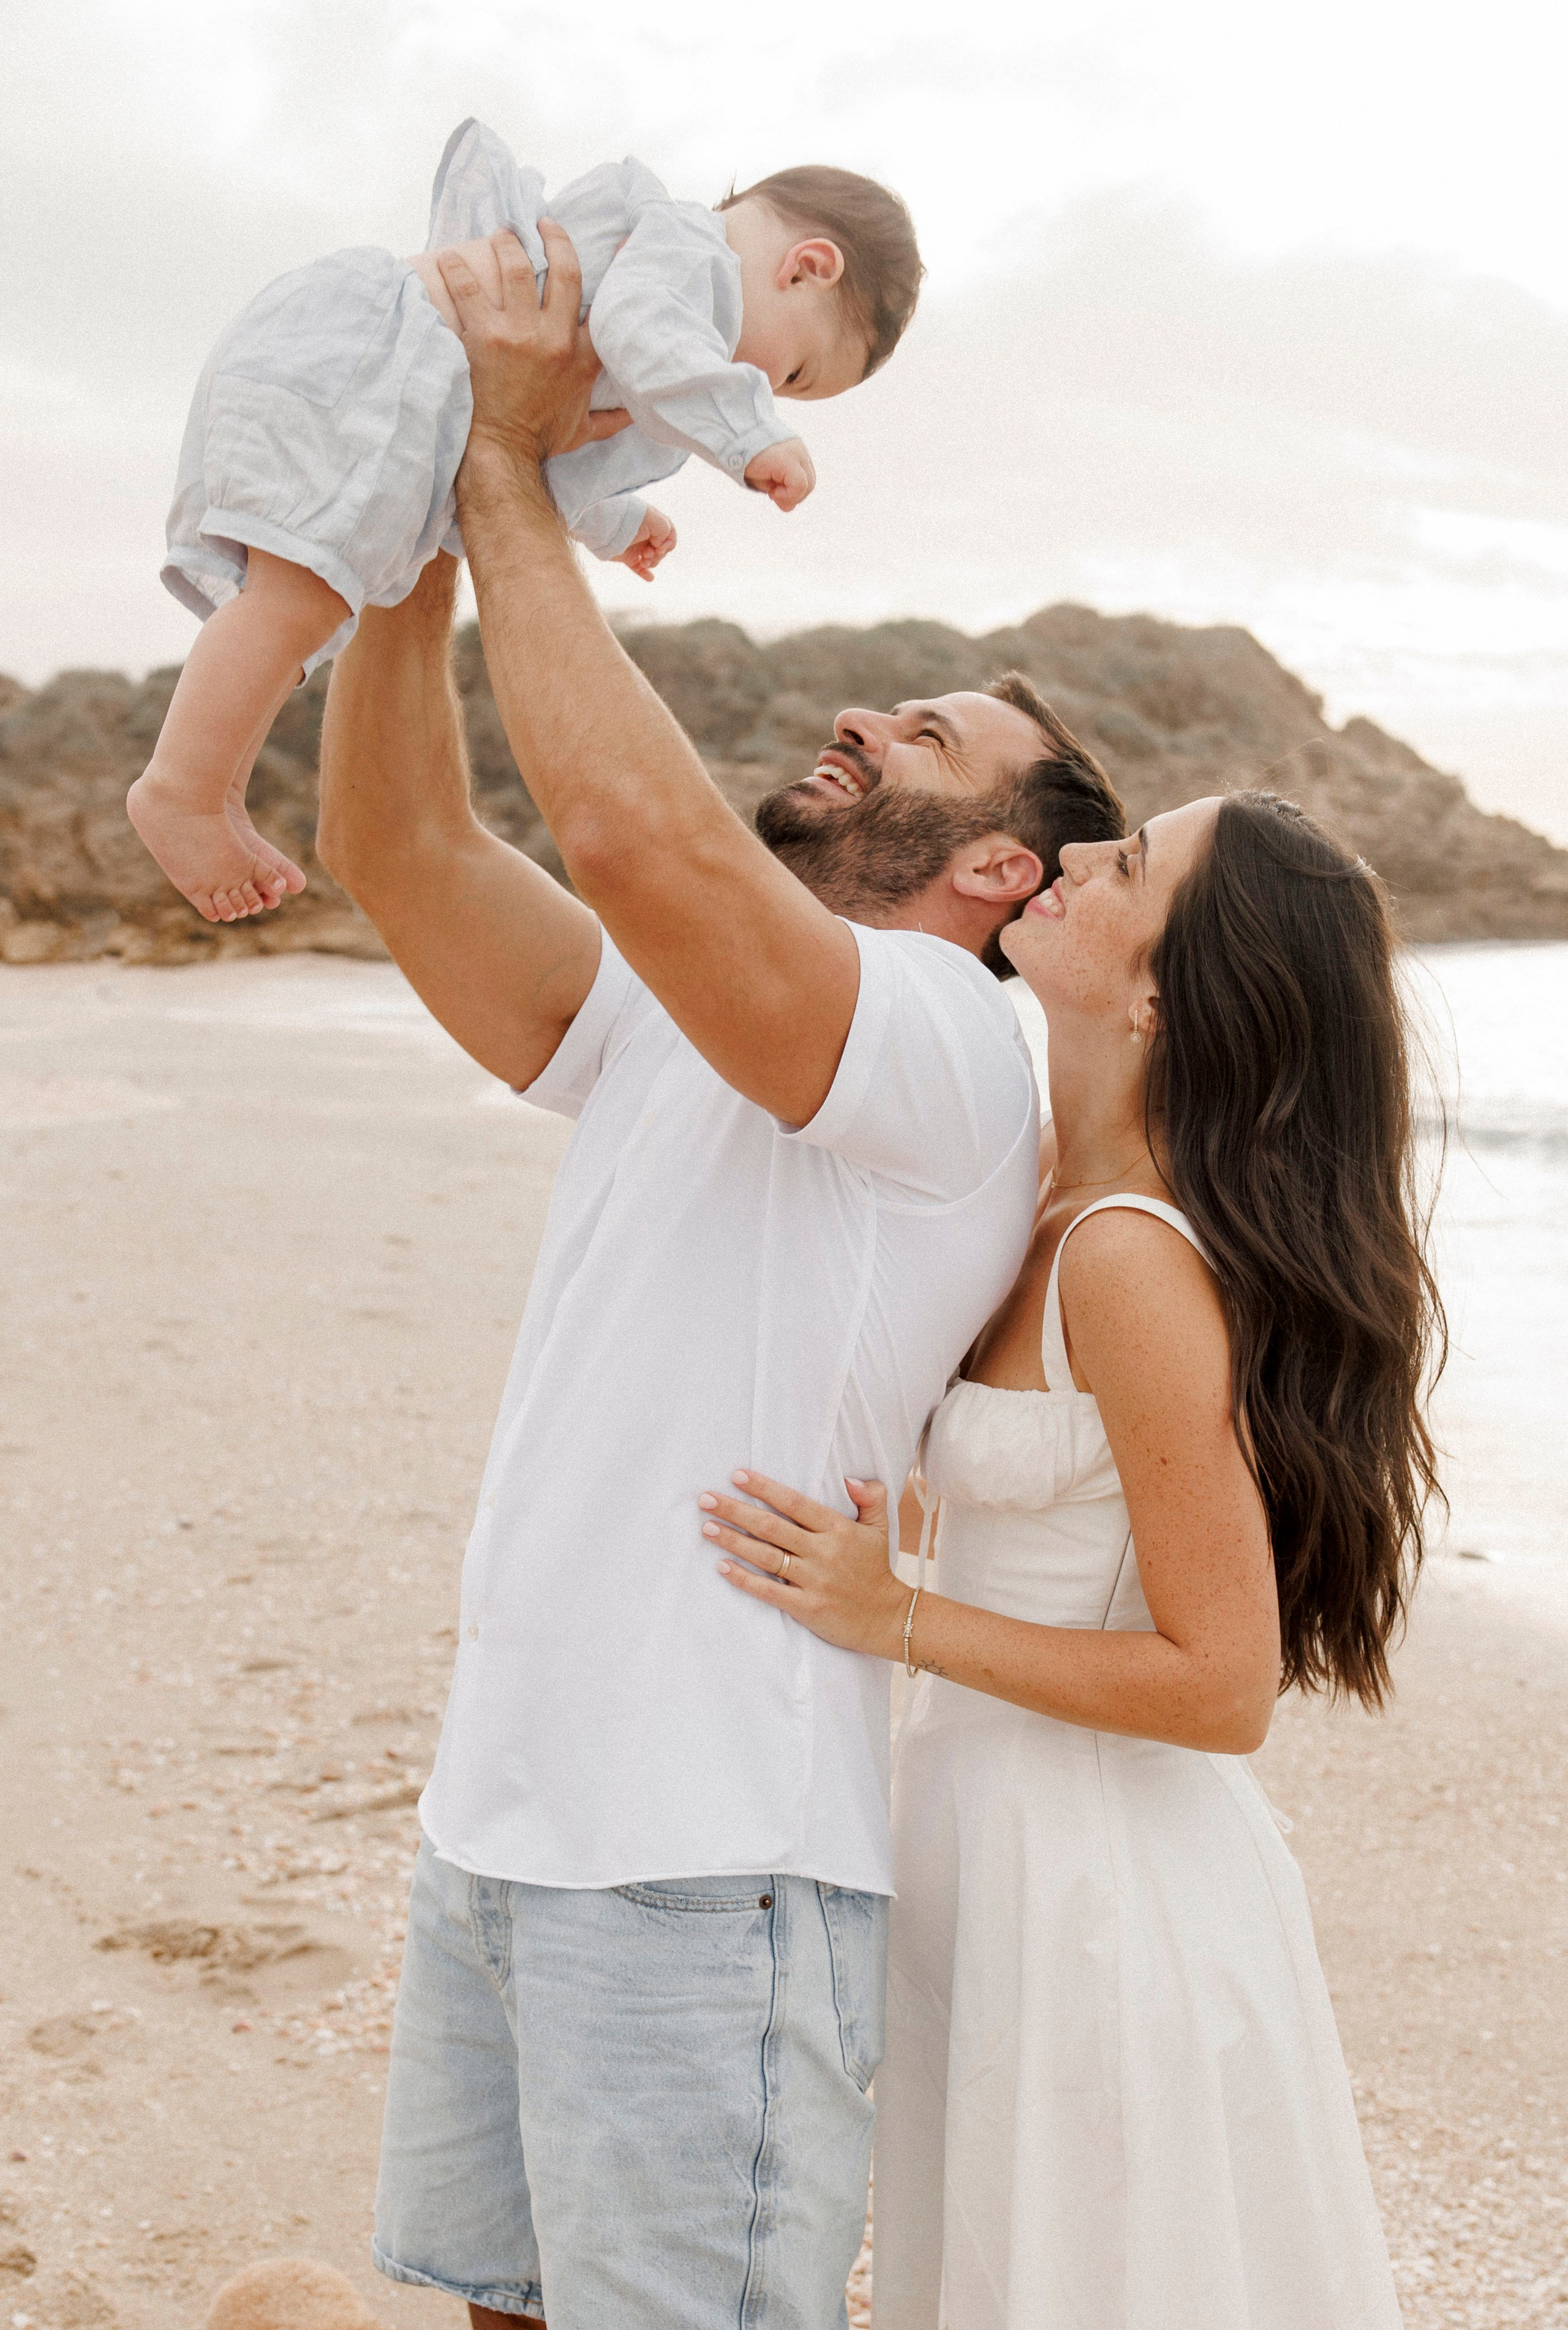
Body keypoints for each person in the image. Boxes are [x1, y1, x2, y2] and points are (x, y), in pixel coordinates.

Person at [311, 225, 1126, 2328]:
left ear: (998, 870)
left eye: (926, 734)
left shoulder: (945, 1042)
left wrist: (510, 465)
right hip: (509, 1803)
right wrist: (414, 522)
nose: (864, 715)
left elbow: (639, 841)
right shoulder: (695, 1009)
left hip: (709, 1849)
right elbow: (402, 851)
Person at [699, 793, 1442, 2327]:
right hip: (991, 1845)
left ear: (1163, 987)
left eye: (1129, 865)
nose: (1075, 859)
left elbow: (1224, 1681)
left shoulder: (1124, 1255)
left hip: (1103, 1887)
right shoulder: (1032, 1188)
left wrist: (891, 1613)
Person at [128, 116, 923, 924]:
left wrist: (617, 520)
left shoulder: (664, 287)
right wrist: (754, 433)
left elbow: (550, 439)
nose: (767, 387)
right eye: (793, 374)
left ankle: (219, 787)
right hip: (364, 359)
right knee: (295, 602)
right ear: (808, 267)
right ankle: (180, 789)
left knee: (309, 606)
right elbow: (643, 341)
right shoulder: (693, 256)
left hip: (361, 366)